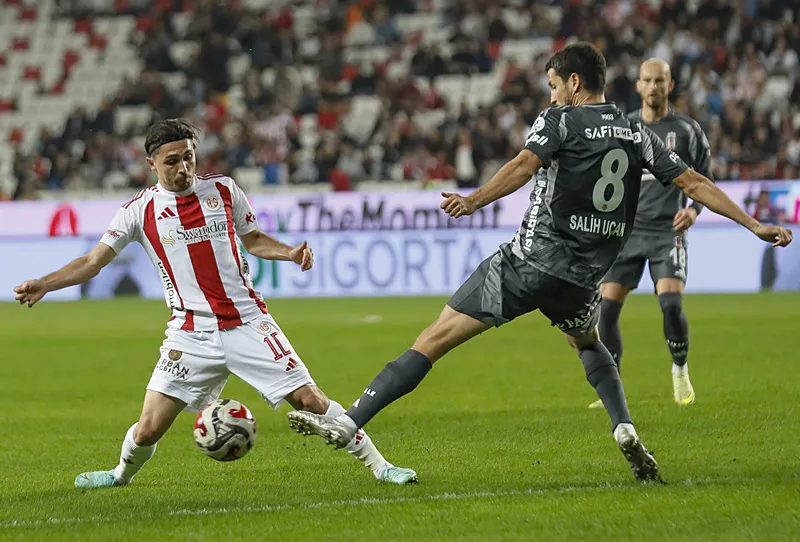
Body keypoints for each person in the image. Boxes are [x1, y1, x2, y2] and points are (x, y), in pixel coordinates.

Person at [285, 43, 793, 482]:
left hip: (528, 262)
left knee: (433, 339)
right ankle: (624, 428)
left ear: (574, 83)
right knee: (588, 343)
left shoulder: (560, 120)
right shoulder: (634, 132)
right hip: (582, 279)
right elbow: (694, 183)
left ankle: (350, 422)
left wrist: (475, 200)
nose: (551, 96)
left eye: (553, 86)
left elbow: (525, 165)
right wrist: (754, 225)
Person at [13, 119, 418, 488]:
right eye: (172, 161)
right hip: (190, 333)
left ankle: (382, 467)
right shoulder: (139, 211)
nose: (183, 168)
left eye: (188, 157)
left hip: (247, 323)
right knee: (149, 428)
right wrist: (45, 284)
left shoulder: (223, 189)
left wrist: (290, 253)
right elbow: (92, 262)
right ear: (151, 164)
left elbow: (253, 239)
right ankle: (119, 475)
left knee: (310, 400)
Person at [594, 59, 713, 408]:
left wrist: (693, 210)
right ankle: (612, 387)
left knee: (671, 305)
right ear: (638, 85)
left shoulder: (688, 131)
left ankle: (680, 369)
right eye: (647, 80)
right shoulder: (623, 127)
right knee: (606, 311)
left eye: (660, 80)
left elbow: (705, 180)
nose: (653, 87)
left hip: (666, 231)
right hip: (626, 233)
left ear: (670, 85)